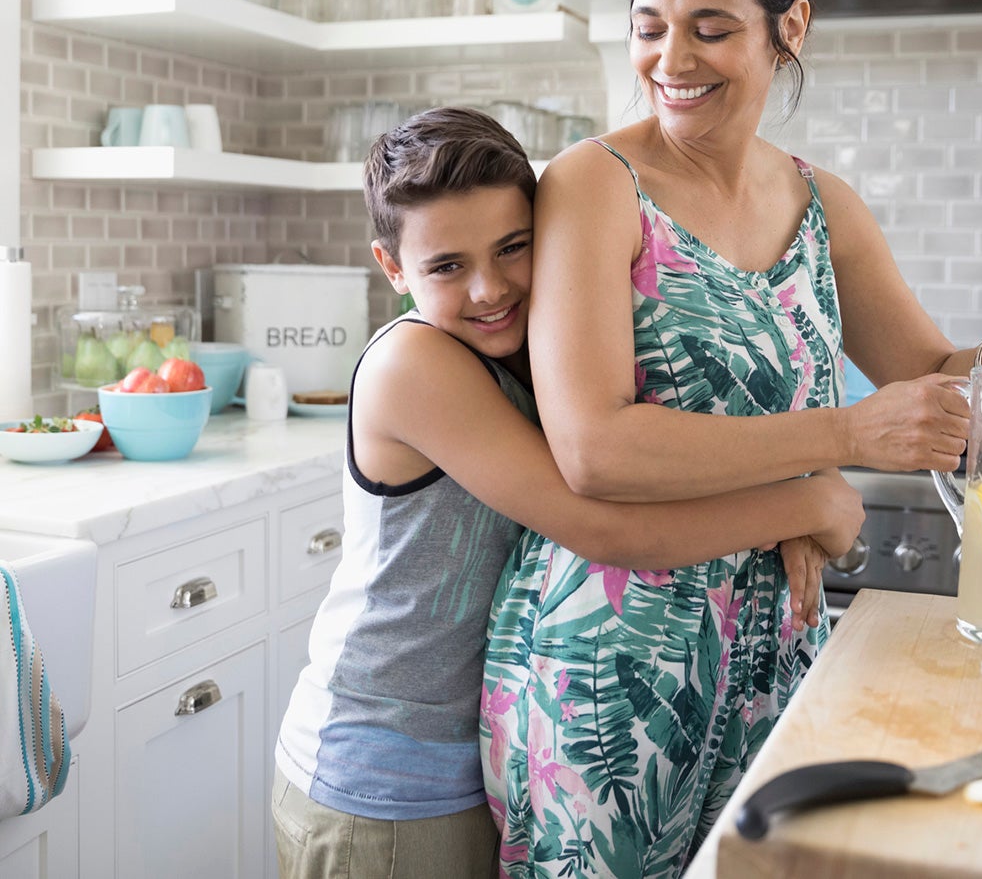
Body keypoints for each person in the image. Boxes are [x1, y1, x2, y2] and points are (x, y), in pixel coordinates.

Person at [480, 0, 982, 877]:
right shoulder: (593, 185)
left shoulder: (822, 204)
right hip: (606, 669)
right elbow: (595, 447)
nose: (670, 60)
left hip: (774, 653)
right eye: (649, 27)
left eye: (710, 29)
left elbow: (939, 383)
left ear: (789, 28)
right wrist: (837, 445)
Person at [271, 106, 868, 879]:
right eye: (446, 266)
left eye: (512, 247)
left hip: (455, 764)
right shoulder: (414, 364)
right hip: (380, 781)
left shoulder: (517, 350)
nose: (489, 288)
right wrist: (808, 502)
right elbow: (601, 524)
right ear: (392, 267)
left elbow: (660, 463)